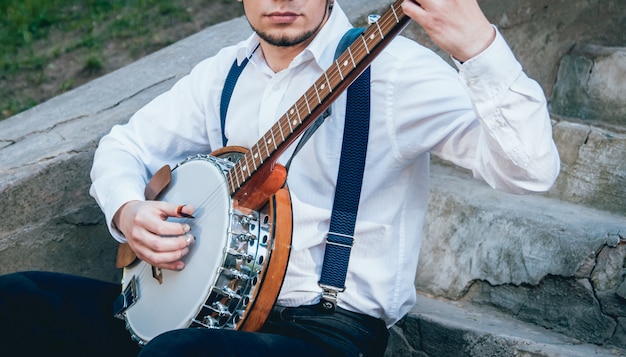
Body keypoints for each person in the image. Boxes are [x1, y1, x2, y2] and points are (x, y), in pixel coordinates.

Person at [0, 0, 560, 356]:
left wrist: (481, 49)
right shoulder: (222, 74)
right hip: (204, 314)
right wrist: (128, 211)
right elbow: (125, 145)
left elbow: (530, 172)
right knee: (16, 299)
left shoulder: (395, 73)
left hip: (325, 333)